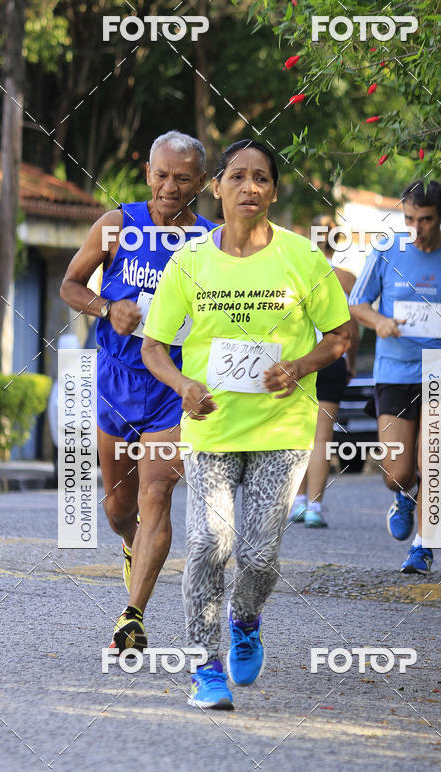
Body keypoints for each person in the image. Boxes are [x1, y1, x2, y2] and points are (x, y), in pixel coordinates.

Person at [142, 140, 351, 709]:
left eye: (261, 179)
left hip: (281, 430)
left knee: (258, 556)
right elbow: (154, 347)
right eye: (238, 177)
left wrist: (301, 366)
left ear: (274, 192)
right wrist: (184, 385)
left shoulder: (302, 258)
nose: (250, 188)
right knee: (210, 542)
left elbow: (339, 335)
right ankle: (205, 669)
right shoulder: (190, 261)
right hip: (211, 427)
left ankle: (247, 618)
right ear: (218, 186)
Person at [60, 131, 215, 651]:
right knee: (119, 510)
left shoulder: (212, 241)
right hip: (117, 382)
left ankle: (132, 616)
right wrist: (108, 308)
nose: (170, 188)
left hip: (173, 386)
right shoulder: (116, 226)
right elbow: (70, 285)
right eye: (162, 175)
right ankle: (131, 543)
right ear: (148, 174)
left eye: (183, 178)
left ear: (201, 183)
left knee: (156, 496)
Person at [349, 179, 441, 573]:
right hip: (395, 369)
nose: (416, 227)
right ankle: (402, 496)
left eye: (426, 220)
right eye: (409, 217)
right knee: (396, 472)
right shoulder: (386, 250)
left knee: (434, 462)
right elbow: (357, 302)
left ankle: (422, 546)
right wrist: (378, 321)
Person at [289, 216, 358, 527]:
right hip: (332, 359)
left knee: (298, 434)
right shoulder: (346, 279)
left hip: (301, 359)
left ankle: (298, 501)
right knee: (322, 438)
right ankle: (315, 506)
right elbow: (352, 329)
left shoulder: (295, 273)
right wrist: (350, 361)